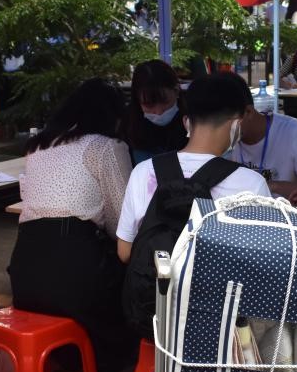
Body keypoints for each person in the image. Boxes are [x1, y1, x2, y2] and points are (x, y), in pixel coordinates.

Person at [10, 79, 136, 372]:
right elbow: (123, 224)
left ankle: (71, 370)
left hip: (24, 272)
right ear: (113, 116)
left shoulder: (38, 146)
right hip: (75, 272)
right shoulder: (105, 147)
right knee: (135, 281)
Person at [116, 72, 271, 263]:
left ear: (186, 122)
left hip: (155, 282)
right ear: (237, 124)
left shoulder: (143, 172)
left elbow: (125, 251)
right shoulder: (251, 183)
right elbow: (263, 259)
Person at [230, 85, 297, 203]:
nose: (223, 131)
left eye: (228, 122)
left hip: (284, 211)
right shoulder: (226, 141)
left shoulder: (293, 131)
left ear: (248, 112)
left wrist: (271, 186)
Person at [123, 60, 187, 165]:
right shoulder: (127, 127)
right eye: (148, 105)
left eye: (165, 102)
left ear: (176, 91)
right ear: (138, 101)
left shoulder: (195, 123)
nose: (158, 112)